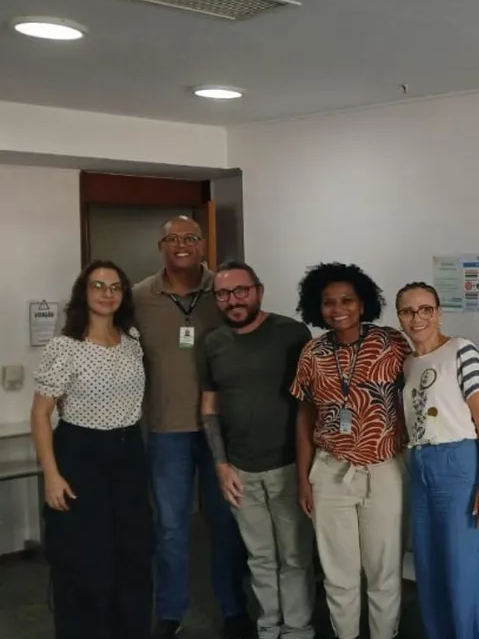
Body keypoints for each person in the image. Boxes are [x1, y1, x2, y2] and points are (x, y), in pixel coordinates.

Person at [132, 216, 251, 639]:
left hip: (221, 430)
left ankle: (233, 607)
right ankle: (170, 611)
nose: (181, 244)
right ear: (161, 246)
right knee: (170, 528)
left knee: (226, 524)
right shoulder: (139, 297)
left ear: (203, 244)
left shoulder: (224, 290)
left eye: (190, 237)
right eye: (172, 238)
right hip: (166, 430)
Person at [30, 260, 154, 639]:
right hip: (81, 456)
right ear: (84, 292)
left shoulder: (132, 340)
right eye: (98, 286)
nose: (107, 293)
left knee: (133, 553)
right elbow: (41, 414)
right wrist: (52, 476)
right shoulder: (65, 347)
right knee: (85, 559)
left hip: (128, 454)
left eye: (115, 287)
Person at [290, 262, 409, 639]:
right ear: (317, 306)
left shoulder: (391, 343)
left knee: (384, 570)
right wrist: (303, 480)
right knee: (339, 573)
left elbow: (418, 392)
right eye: (328, 302)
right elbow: (305, 416)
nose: (338, 309)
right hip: (331, 471)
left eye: (347, 300)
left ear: (363, 303)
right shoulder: (312, 352)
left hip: (384, 469)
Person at [199, 261, 317, 639]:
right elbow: (209, 407)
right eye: (223, 294)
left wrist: (308, 468)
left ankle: (297, 628)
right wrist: (221, 465)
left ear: (259, 291)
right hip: (240, 470)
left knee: (295, 556)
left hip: (288, 465)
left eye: (241, 291)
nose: (233, 300)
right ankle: (268, 625)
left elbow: (311, 402)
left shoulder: (292, 333)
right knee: (261, 557)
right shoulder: (213, 343)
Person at [396, 281, 479, 639]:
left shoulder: (461, 350)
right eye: (408, 311)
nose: (417, 318)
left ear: (439, 313)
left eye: (426, 309)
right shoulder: (409, 364)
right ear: (400, 318)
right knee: (430, 570)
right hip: (421, 466)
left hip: (459, 465)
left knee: (465, 573)